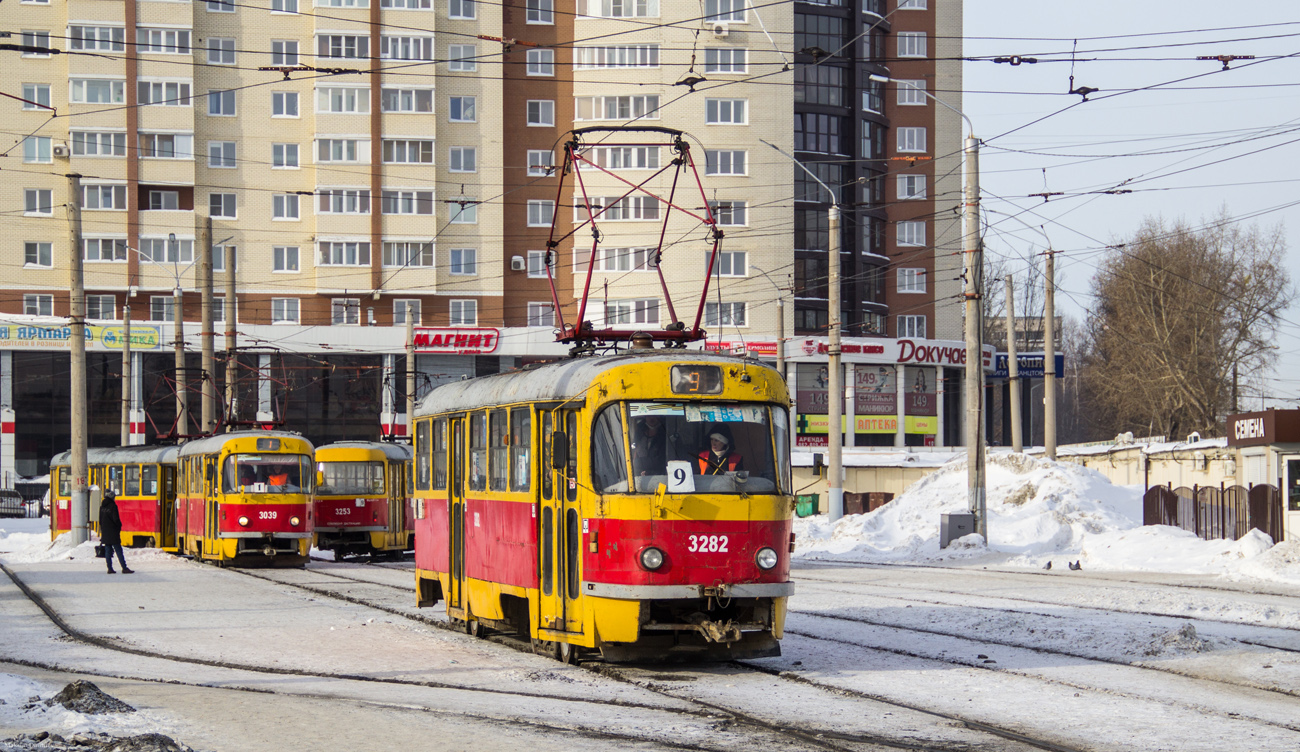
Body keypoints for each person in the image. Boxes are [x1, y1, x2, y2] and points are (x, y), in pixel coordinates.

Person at [98, 491, 133, 575]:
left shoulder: (102, 507)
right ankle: (124, 568)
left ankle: (109, 568)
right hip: (113, 532)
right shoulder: (113, 506)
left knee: (108, 550)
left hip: (105, 532)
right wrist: (119, 526)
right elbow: (116, 519)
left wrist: (103, 529)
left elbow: (100, 520)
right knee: (118, 550)